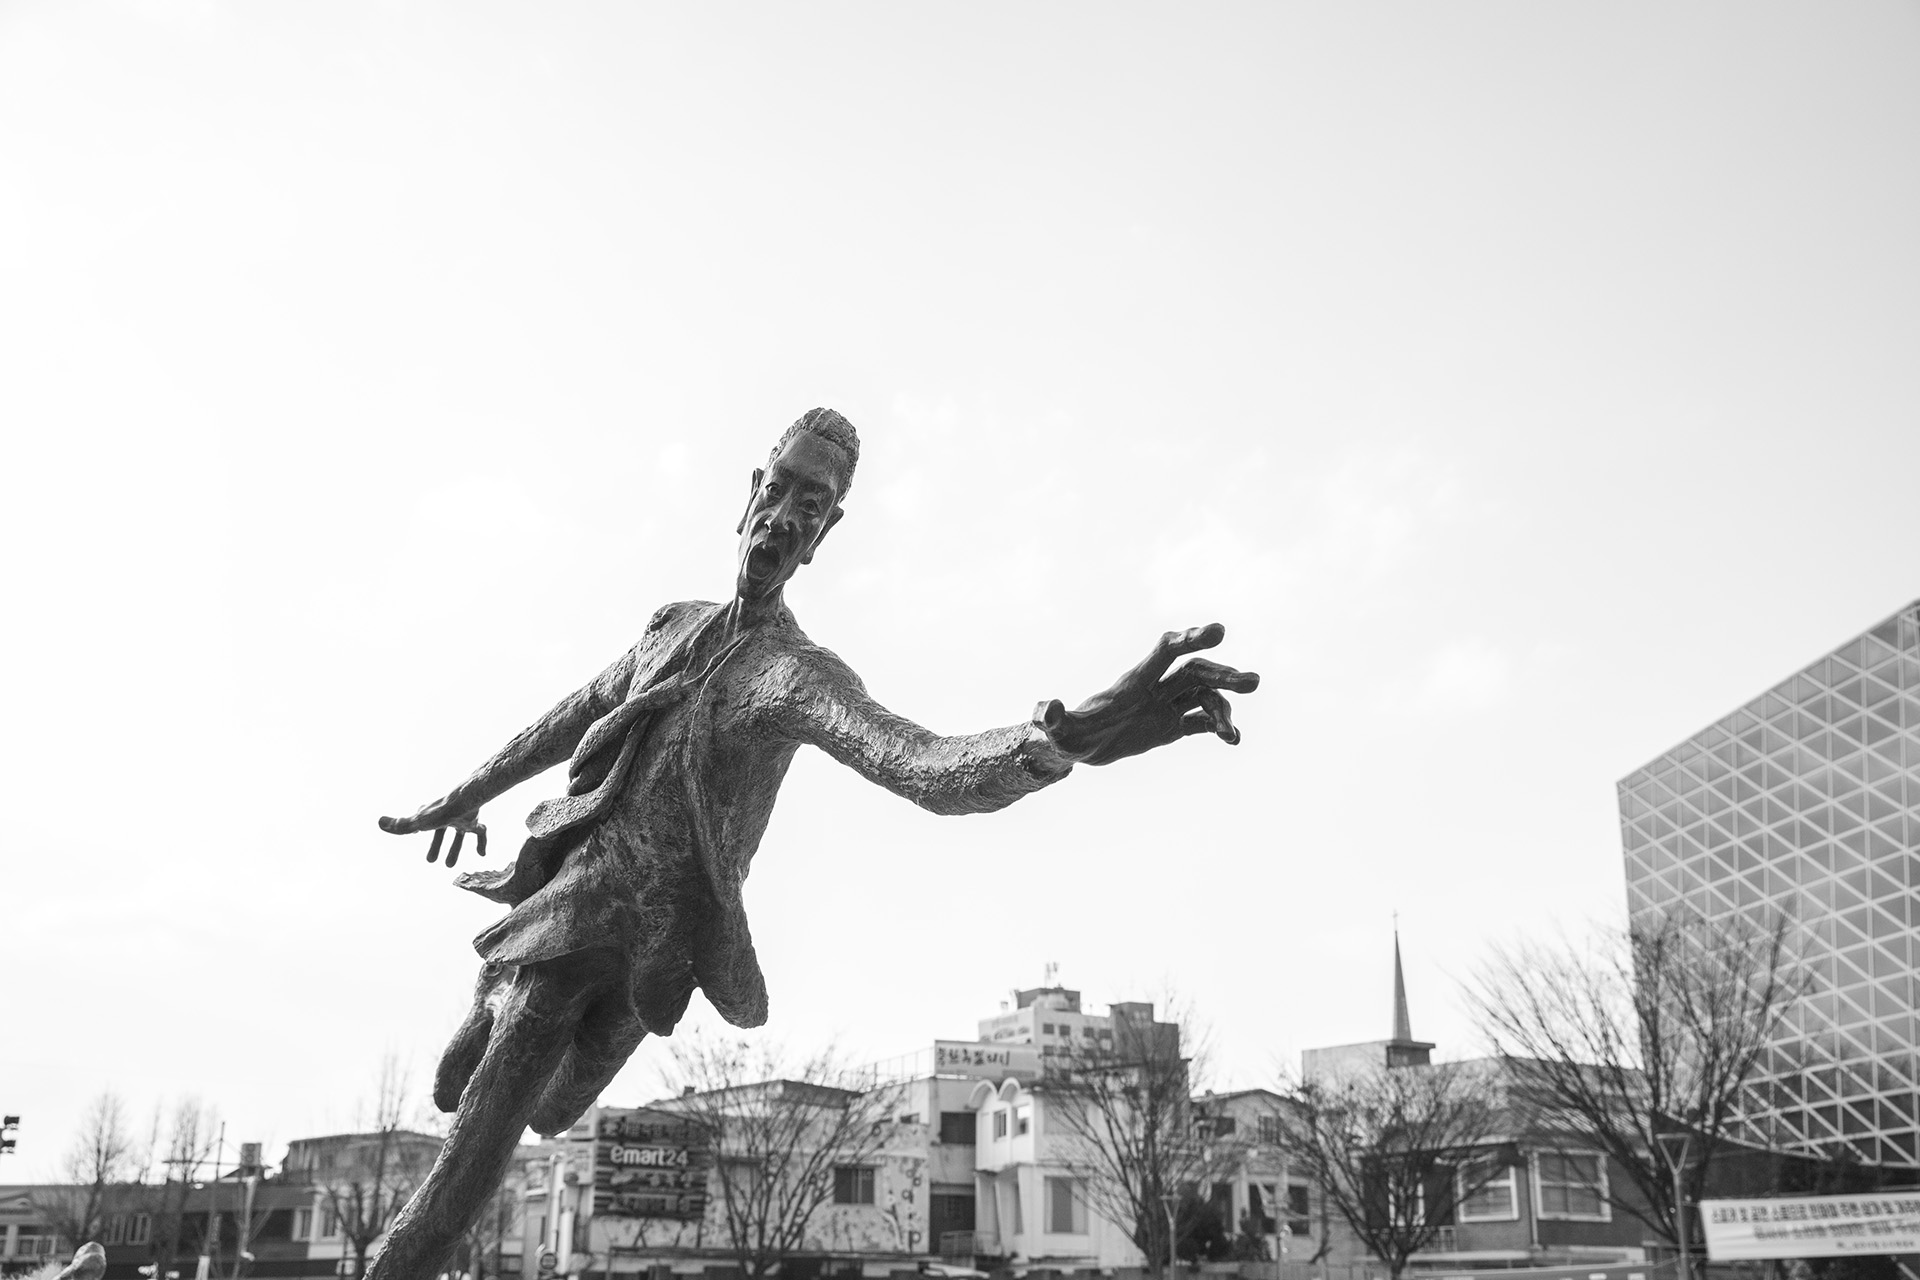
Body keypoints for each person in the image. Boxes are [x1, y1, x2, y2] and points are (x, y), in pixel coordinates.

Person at [367, 408, 1257, 1280]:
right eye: (780, 490)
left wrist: (1057, 741)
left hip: (660, 943)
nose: (785, 517)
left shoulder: (796, 676)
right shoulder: (668, 625)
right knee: (480, 1132)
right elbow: (571, 716)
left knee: (553, 1110)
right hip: (574, 902)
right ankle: (497, 1008)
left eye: (812, 505)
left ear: (825, 533)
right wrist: (466, 793)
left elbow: (925, 766)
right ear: (752, 492)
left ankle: (496, 1008)